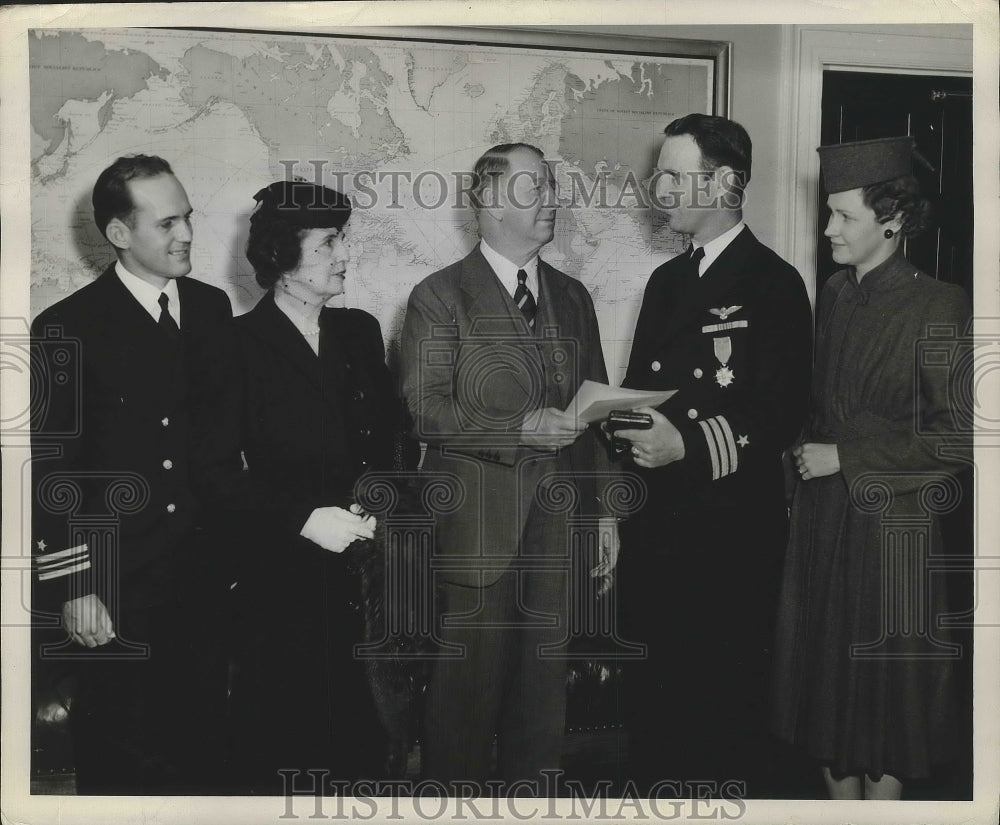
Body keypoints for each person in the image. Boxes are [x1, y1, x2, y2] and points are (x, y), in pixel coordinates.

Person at [400, 143, 619, 793]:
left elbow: (595, 405)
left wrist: (606, 510)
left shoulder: (573, 296)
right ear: (490, 202)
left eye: (550, 186)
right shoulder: (439, 297)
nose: (551, 198)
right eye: (534, 188)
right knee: (461, 714)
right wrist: (519, 429)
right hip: (476, 537)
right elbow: (425, 410)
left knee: (542, 714)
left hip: (559, 534)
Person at [614, 114, 813, 797]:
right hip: (657, 532)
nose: (657, 187)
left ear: (726, 182)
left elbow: (781, 411)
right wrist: (623, 422)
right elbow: (646, 388)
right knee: (655, 714)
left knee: (720, 716)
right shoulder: (666, 283)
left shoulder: (773, 282)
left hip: (729, 536)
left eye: (673, 174)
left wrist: (688, 443)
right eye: (658, 173)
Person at [771, 136, 972, 800]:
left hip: (892, 543)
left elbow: (961, 437)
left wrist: (847, 457)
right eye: (828, 212)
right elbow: (821, 409)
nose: (828, 228)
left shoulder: (938, 304)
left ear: (892, 218)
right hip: (826, 533)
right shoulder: (833, 292)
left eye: (843, 215)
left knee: (884, 717)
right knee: (827, 710)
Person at [193, 180, 409, 794]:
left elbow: (393, 436)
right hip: (279, 580)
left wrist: (379, 493)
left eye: (343, 239)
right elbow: (213, 474)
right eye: (328, 243)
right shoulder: (234, 345)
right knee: (288, 746)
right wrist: (301, 518)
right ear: (283, 260)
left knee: (367, 748)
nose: (344, 254)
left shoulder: (359, 332)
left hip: (365, 576)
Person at [30, 154, 233, 793]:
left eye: (189, 218)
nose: (187, 235)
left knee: (201, 746)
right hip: (115, 583)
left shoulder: (210, 308)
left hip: (202, 574)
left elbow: (219, 447)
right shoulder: (66, 326)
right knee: (119, 758)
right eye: (167, 222)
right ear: (120, 234)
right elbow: (52, 472)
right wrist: (74, 587)